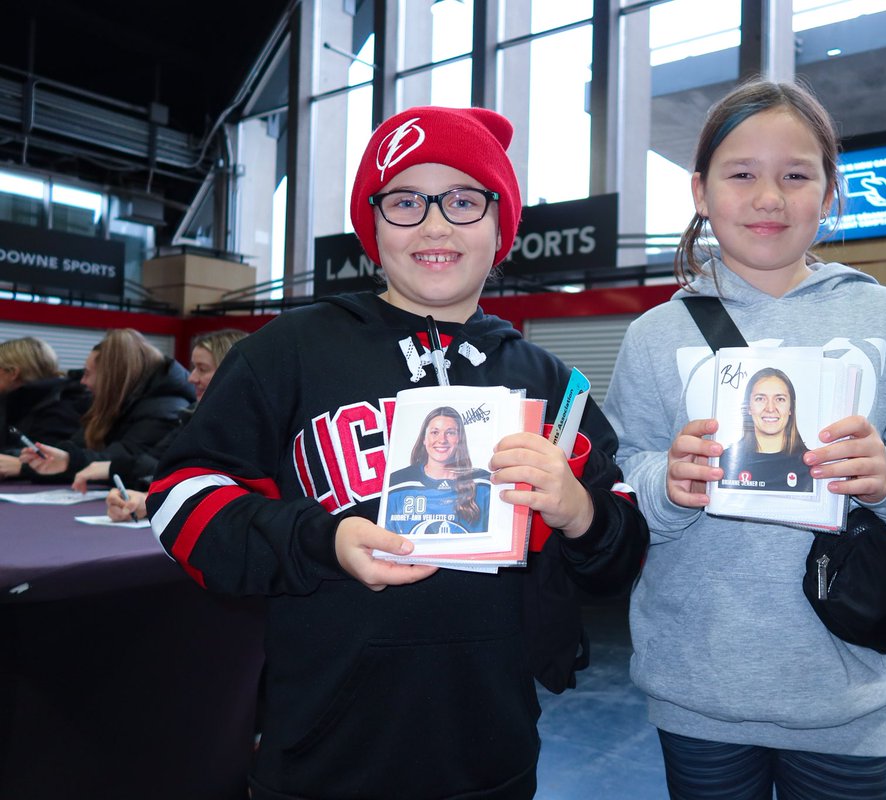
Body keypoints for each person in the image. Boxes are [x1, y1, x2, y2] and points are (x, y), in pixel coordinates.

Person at [145, 106, 647, 800]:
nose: (436, 224)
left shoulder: (553, 385)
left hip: (492, 756)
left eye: (464, 200)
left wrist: (580, 512)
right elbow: (179, 502)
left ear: (501, 226)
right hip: (322, 755)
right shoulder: (285, 354)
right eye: (406, 202)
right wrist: (324, 541)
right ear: (372, 224)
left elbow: (621, 554)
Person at [603, 78, 886, 798]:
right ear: (700, 192)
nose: (768, 197)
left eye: (796, 175)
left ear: (829, 194)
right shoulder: (655, 336)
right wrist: (667, 482)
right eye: (741, 174)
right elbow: (620, 489)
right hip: (696, 689)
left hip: (847, 694)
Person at [103, 328, 247, 522]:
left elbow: (228, 495)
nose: (191, 378)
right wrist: (143, 499)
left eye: (202, 369)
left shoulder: (251, 433)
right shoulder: (192, 417)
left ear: (233, 372)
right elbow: (163, 468)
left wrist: (150, 499)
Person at [18, 328, 194, 484]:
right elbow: (77, 447)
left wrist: (23, 467)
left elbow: (122, 460)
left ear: (112, 377)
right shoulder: (115, 402)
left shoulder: (164, 408)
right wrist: (23, 457)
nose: (82, 381)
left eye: (87, 373)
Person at [383, 405, 492, 535]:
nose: (442, 440)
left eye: (450, 432)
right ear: (424, 438)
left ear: (459, 439)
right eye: (435, 432)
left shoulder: (484, 484)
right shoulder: (397, 485)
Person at [0, 337, 89, 478]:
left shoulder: (61, 409)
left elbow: (50, 458)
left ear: (12, 373)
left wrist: (16, 462)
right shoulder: (14, 402)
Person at [716, 366, 814, 493]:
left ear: (791, 407)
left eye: (780, 399)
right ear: (748, 407)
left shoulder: (813, 464)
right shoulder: (723, 463)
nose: (770, 408)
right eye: (760, 399)